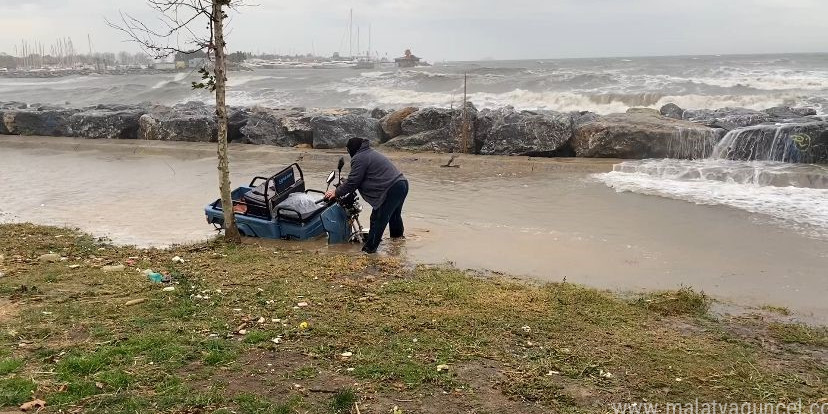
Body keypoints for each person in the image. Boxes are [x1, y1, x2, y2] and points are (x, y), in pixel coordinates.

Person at [324, 137, 408, 253]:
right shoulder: (369, 153)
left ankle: (369, 251)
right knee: (394, 216)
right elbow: (360, 176)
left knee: (377, 219)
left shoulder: (359, 157)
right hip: (401, 184)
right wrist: (345, 182)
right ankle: (397, 243)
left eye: (349, 151)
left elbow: (354, 181)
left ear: (351, 149)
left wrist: (336, 192)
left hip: (391, 189)